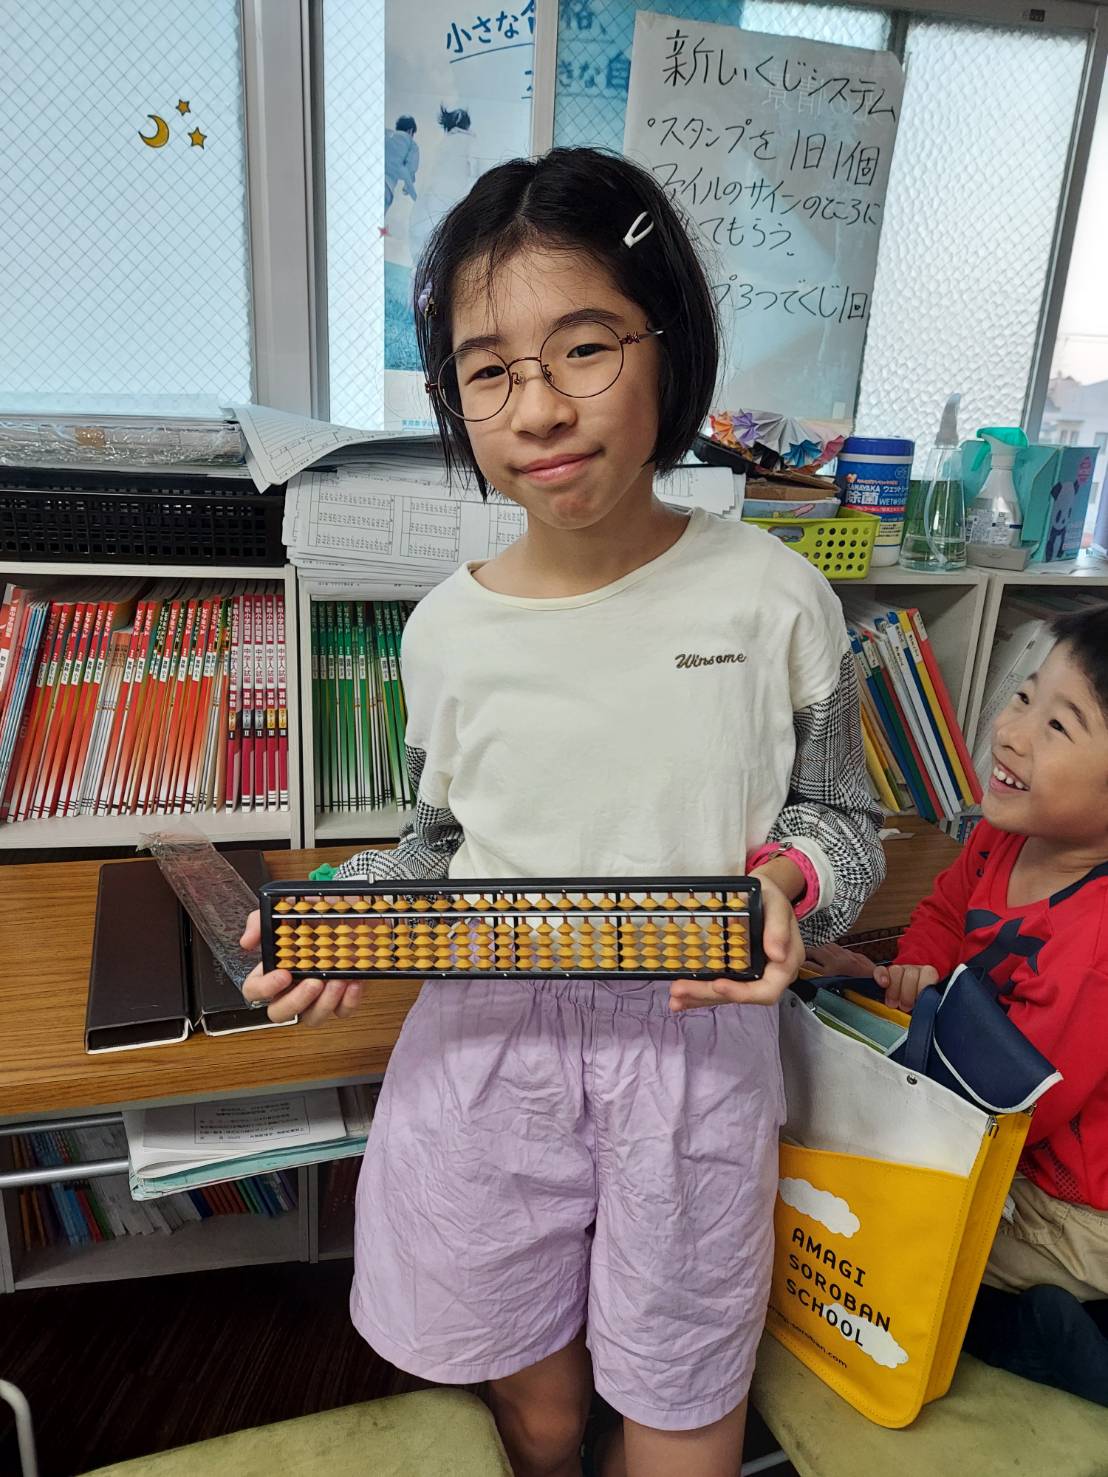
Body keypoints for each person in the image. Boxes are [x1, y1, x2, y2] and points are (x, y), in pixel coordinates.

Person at [242, 146, 884, 1477]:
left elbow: (842, 821)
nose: (537, 408)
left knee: (683, 1410)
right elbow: (437, 843)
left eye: (584, 348)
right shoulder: (444, 629)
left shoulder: (775, 596)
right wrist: (345, 922)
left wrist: (781, 888)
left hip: (693, 1051)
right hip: (489, 1050)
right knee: (533, 1411)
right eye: (487, 371)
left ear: (668, 344)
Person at [810, 604, 1108, 1406]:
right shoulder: (1002, 833)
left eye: (1059, 726)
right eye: (1025, 697)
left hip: (1071, 1204)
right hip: (1006, 1140)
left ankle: (1041, 1335)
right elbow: (946, 914)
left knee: (891, 1247)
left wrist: (907, 1022)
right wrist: (905, 972)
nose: (1011, 734)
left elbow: (1017, 1105)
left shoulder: (1097, 943)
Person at [407, 105, 476, 266]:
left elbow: (431, 173)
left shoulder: (443, 143)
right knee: (448, 244)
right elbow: (475, 172)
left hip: (432, 197)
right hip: (455, 197)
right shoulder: (471, 141)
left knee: (427, 241)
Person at [384, 114, 419, 217]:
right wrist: (408, 188)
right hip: (387, 186)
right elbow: (410, 171)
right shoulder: (412, 145)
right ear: (410, 131)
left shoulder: (386, 134)